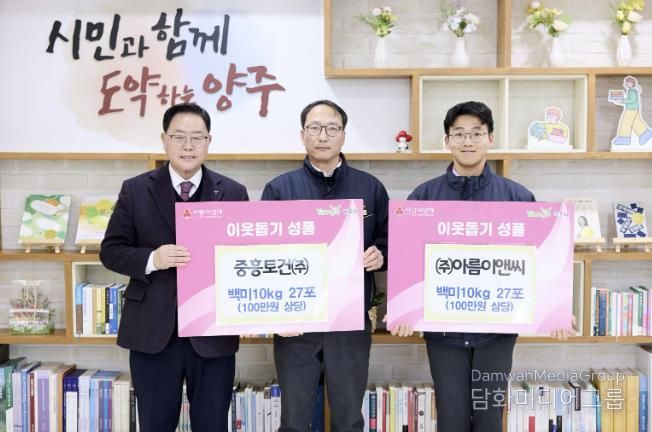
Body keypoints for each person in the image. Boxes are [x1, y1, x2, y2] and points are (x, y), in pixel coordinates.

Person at [388, 101, 574, 432]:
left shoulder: (517, 198)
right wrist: (402, 311)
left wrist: (557, 310)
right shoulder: (423, 198)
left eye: (476, 133)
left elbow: (539, 262)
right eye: (459, 134)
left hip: (496, 334)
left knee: (489, 417)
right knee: (451, 419)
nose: (468, 141)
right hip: (443, 334)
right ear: (447, 141)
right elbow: (406, 260)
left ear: (490, 138)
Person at [100, 103, 249, 432]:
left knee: (212, 424)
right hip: (153, 330)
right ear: (164, 140)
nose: (188, 145)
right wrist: (153, 259)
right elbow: (111, 251)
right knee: (155, 423)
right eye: (179, 137)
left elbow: (245, 257)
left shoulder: (233, 193)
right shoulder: (135, 190)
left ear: (209, 142)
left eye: (197, 137)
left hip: (212, 331)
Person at [261, 99, 389, 431]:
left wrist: (380, 255)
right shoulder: (279, 189)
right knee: (294, 417)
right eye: (315, 128)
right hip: (296, 319)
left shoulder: (370, 187)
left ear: (343, 135)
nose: (322, 136)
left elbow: (389, 240)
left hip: (349, 319)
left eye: (332, 128)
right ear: (302, 135)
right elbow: (263, 253)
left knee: (348, 416)